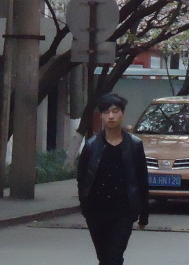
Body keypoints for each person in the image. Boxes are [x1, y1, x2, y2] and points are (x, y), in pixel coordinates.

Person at [77, 92, 149, 265]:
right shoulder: (91, 146)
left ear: (122, 114)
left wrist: (143, 214)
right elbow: (82, 178)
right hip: (96, 212)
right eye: (106, 112)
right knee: (103, 258)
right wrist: (85, 207)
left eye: (115, 111)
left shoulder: (134, 145)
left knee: (115, 257)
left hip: (123, 212)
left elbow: (141, 180)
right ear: (101, 115)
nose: (111, 116)